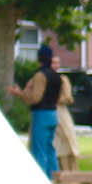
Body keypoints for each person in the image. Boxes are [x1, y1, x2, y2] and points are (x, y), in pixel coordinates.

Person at [14, 45, 66, 176]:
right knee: (50, 149)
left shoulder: (40, 75)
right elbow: (59, 97)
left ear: (39, 59)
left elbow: (36, 98)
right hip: (53, 114)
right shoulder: (57, 77)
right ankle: (55, 178)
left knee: (38, 150)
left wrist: (20, 93)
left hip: (41, 114)